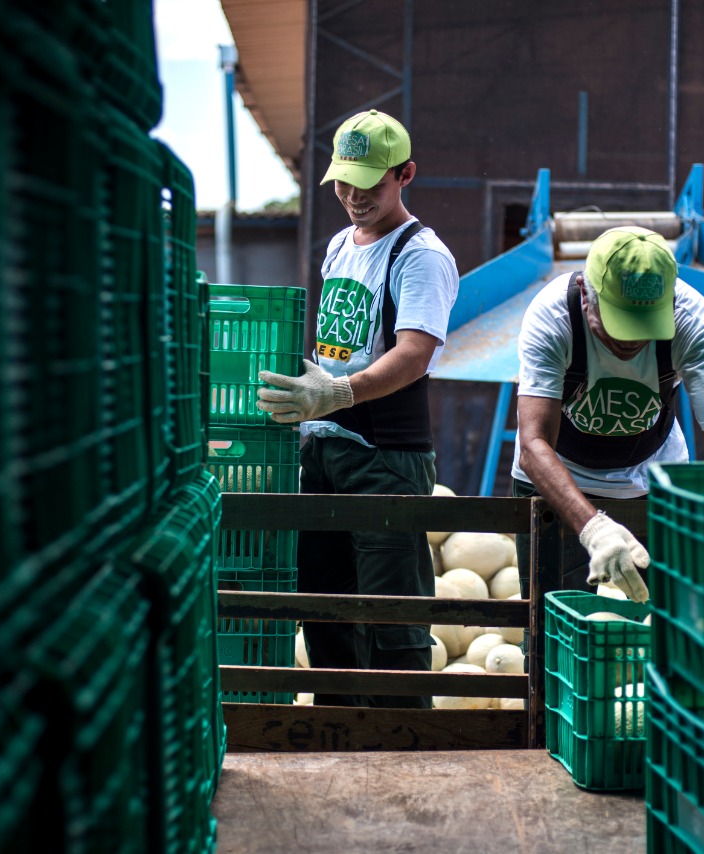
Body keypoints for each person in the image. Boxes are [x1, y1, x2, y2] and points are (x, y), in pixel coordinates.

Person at [255, 109, 459, 708]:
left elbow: (416, 353)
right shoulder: (341, 245)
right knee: (325, 613)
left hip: (384, 458)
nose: (353, 195)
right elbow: (334, 346)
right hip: (323, 452)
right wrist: (312, 408)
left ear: (406, 175)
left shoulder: (422, 255)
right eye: (344, 180)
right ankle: (338, 739)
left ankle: (401, 754)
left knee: (392, 621)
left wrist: (341, 394)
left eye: (370, 182)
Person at [512, 225, 704, 603]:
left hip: (652, 474)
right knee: (549, 629)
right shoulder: (553, 316)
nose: (632, 340)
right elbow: (533, 443)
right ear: (587, 298)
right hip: (558, 475)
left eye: (645, 326)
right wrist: (593, 529)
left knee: (669, 625)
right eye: (619, 323)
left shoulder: (692, 320)